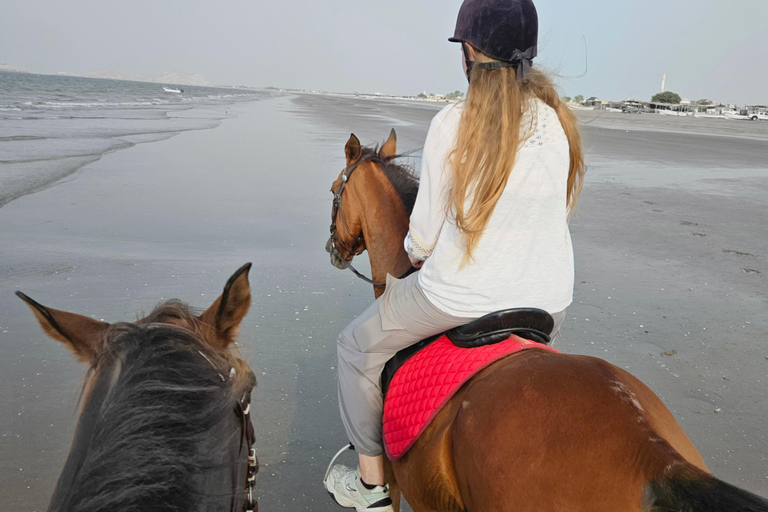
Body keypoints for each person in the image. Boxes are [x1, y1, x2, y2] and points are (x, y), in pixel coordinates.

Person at [323, 0, 586, 510]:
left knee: (353, 347)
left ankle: (372, 486)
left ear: (468, 52)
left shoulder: (452, 122)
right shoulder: (556, 122)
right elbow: (556, 213)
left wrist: (427, 252)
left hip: (459, 300)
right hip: (549, 305)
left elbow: (419, 242)